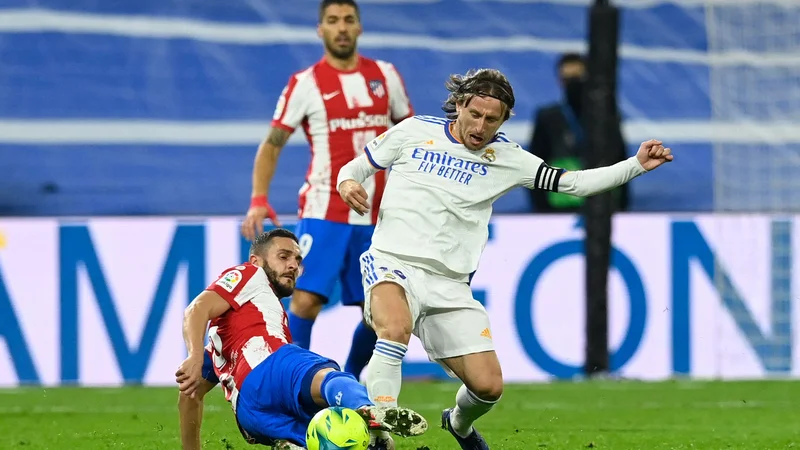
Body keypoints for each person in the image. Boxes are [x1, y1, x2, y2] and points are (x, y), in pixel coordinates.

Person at [336, 68, 673, 449]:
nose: (481, 126)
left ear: (504, 119)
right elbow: (356, 167)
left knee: (488, 386)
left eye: (491, 119)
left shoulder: (509, 157)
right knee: (393, 328)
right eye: (475, 114)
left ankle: (459, 424)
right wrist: (348, 183)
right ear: (460, 105)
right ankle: (380, 429)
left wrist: (635, 165)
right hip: (392, 261)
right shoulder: (414, 130)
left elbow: (573, 184)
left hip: (450, 284)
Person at [240, 0, 414, 381]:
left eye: (348, 20)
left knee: (379, 310)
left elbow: (411, 137)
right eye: (332, 21)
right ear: (320, 30)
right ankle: (298, 384)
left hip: (378, 214)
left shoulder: (385, 76)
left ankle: (350, 378)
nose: (341, 28)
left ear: (359, 27)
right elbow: (272, 143)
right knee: (305, 299)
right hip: (325, 210)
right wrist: (258, 198)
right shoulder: (305, 84)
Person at [176, 229, 427, 450]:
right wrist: (194, 355)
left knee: (334, 440)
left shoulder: (223, 341)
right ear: (256, 260)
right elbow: (196, 309)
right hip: (268, 365)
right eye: (283, 257)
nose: (293, 265)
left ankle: (292, 444)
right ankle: (368, 409)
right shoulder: (249, 274)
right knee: (332, 377)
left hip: (250, 416)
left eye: (297, 259)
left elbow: (189, 394)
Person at [528, 52, 629, 213]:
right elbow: (534, 165)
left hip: (604, 204)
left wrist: (622, 206)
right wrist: (541, 209)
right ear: (560, 81)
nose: (573, 84)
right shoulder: (548, 117)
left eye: (578, 77)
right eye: (568, 79)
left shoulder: (606, 116)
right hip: (558, 206)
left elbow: (621, 158)